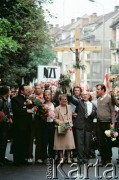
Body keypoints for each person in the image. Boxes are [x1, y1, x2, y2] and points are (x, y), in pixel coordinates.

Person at [11, 84, 37, 165]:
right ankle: (17, 160)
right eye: (27, 90)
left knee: (26, 142)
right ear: (21, 91)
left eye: (29, 90)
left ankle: (23, 158)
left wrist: (34, 107)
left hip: (28, 124)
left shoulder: (28, 98)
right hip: (19, 125)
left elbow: (31, 107)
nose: (29, 91)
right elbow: (16, 111)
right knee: (18, 142)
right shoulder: (15, 99)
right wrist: (27, 111)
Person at [70, 90, 97, 165]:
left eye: (86, 95)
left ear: (89, 96)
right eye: (83, 95)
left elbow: (94, 116)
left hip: (89, 126)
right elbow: (71, 98)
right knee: (79, 143)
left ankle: (86, 158)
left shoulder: (93, 105)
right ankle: (80, 158)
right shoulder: (79, 103)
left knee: (87, 143)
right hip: (79, 125)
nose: (85, 96)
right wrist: (67, 89)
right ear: (81, 96)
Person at [96, 84, 115, 165]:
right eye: (97, 89)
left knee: (108, 142)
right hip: (99, 123)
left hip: (108, 123)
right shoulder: (98, 99)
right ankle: (103, 159)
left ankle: (108, 159)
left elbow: (112, 111)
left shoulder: (109, 99)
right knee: (101, 142)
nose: (97, 90)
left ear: (103, 90)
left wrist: (113, 123)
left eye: (98, 89)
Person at [54, 94, 75, 164]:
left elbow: (73, 114)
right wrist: (61, 123)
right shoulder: (57, 108)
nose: (64, 100)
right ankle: (61, 158)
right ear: (59, 100)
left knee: (69, 143)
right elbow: (55, 118)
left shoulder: (69, 107)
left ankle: (68, 158)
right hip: (61, 126)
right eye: (63, 99)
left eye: (65, 99)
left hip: (68, 126)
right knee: (60, 144)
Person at [0, 86, 12, 166]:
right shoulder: (1, 100)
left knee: (3, 142)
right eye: (9, 90)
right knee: (2, 142)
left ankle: (2, 158)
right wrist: (7, 119)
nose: (10, 92)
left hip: (4, 124)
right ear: (6, 92)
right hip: (2, 125)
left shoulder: (4, 100)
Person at [42, 90, 55, 162]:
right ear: (44, 96)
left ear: (51, 95)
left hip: (53, 124)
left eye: (48, 95)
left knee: (52, 141)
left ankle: (52, 156)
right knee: (44, 141)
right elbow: (40, 116)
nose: (47, 96)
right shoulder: (42, 104)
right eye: (46, 95)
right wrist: (44, 115)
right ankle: (44, 157)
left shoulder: (54, 104)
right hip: (45, 124)